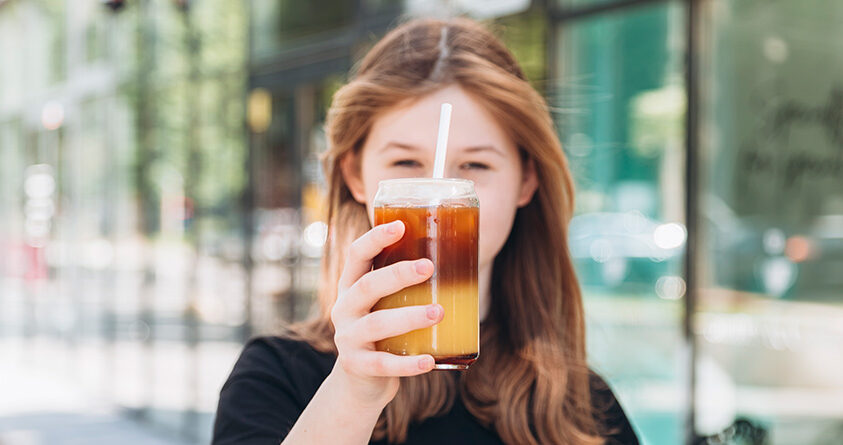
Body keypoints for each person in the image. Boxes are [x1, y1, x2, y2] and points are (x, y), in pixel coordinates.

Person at [212, 17, 639, 445]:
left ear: (526, 181)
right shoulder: (276, 379)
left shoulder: (585, 408)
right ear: (356, 176)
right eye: (404, 165)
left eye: (475, 166)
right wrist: (353, 391)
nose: (436, 202)